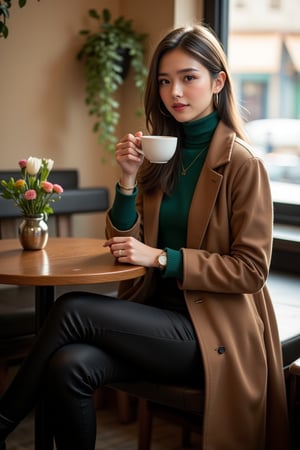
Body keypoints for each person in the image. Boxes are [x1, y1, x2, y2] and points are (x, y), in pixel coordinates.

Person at [0, 24, 290, 450]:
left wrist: (160, 258)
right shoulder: (162, 152)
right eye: (164, 80)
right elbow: (123, 243)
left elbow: (250, 271)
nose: (175, 91)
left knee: (73, 307)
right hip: (154, 320)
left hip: (211, 334)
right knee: (67, 365)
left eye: (189, 78)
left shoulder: (244, 165)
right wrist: (129, 179)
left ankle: (3, 421)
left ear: (218, 81)